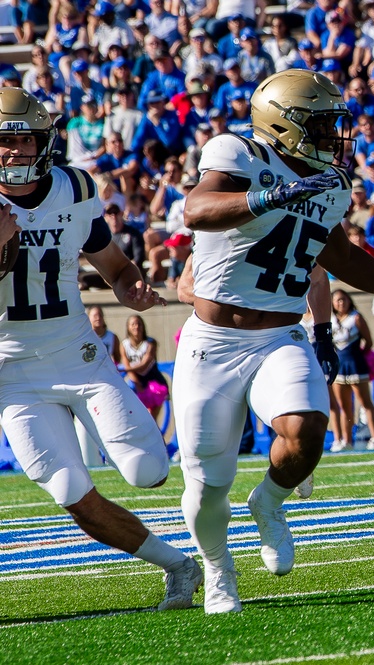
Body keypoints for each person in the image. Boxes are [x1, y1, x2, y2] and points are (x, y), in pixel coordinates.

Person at [174, 69, 374, 613]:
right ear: (283, 125)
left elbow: (339, 258)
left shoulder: (330, 182)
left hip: (280, 334)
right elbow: (198, 210)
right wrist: (275, 194)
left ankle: (269, 501)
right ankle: (217, 572)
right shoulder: (237, 151)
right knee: (207, 483)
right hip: (211, 343)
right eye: (322, 124)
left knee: (308, 431)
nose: (336, 136)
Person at [0, 88, 203, 608]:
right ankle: (178, 566)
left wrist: (129, 285)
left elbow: (112, 262)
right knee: (74, 496)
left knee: (149, 472)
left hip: (77, 353)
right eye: (3, 140)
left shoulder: (74, 187)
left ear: (46, 141)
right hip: (12, 376)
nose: (14, 151)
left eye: (24, 139)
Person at [330, 288, 374, 451]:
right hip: (339, 366)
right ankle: (347, 441)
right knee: (344, 406)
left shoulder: (356, 317)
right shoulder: (330, 320)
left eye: (344, 299)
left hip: (355, 364)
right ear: (332, 303)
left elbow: (368, 341)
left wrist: (359, 356)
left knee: (365, 402)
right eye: (338, 300)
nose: (341, 303)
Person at [121, 314, 171, 423]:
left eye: (139, 324)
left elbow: (144, 364)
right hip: (137, 383)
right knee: (140, 419)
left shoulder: (150, 343)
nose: (136, 327)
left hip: (155, 383)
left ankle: (157, 438)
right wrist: (137, 384)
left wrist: (125, 370)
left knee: (151, 419)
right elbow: (127, 365)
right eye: (133, 324)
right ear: (128, 327)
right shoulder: (124, 345)